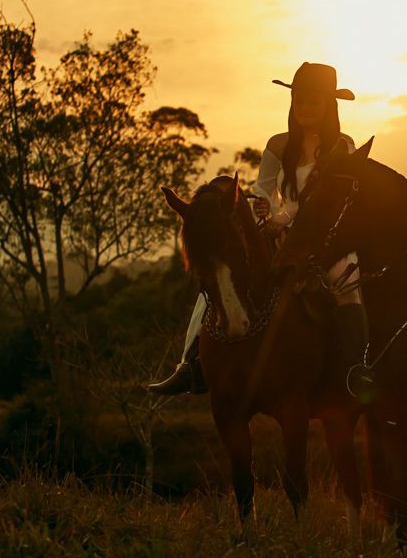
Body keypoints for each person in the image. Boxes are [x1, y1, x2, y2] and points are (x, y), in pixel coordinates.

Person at [149, 62, 374, 397]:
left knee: (344, 282)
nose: (304, 108)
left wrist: (285, 216)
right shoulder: (278, 144)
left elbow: (330, 196)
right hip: (279, 234)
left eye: (312, 101)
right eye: (299, 100)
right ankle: (188, 363)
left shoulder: (343, 145)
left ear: (329, 105)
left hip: (325, 236)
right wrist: (264, 207)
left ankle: (358, 367)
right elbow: (262, 188)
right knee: (223, 270)